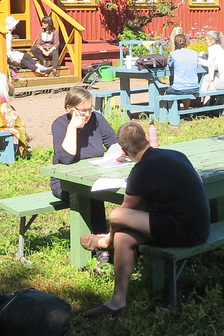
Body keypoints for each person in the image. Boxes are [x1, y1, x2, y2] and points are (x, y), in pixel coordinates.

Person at [79, 121, 211, 317]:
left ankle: (106, 242)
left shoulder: (142, 170)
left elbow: (123, 214)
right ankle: (117, 302)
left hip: (186, 230)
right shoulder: (175, 154)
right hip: (197, 223)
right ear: (147, 138)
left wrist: (108, 236)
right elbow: (197, 181)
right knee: (123, 238)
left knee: (116, 215)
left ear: (124, 151)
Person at [51, 87, 119, 237]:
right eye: (83, 110)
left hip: (95, 177)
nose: (87, 114)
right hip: (65, 182)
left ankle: (111, 235)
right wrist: (72, 127)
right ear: (69, 108)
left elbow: (114, 144)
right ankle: (98, 240)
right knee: (91, 193)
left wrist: (120, 154)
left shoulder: (97, 119)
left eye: (90, 109)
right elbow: (66, 158)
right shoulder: (60, 125)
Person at [198, 30, 224, 101]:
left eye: (206, 39)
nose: (205, 41)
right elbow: (215, 65)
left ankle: (201, 99)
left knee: (206, 78)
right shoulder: (223, 49)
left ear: (212, 41)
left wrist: (211, 82)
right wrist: (202, 61)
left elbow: (211, 66)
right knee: (212, 80)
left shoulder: (212, 48)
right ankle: (208, 101)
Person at [164, 31, 201, 95]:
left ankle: (169, 101)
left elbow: (170, 65)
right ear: (186, 42)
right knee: (185, 91)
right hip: (194, 87)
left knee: (166, 92)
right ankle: (186, 102)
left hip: (179, 88)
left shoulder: (173, 54)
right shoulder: (194, 53)